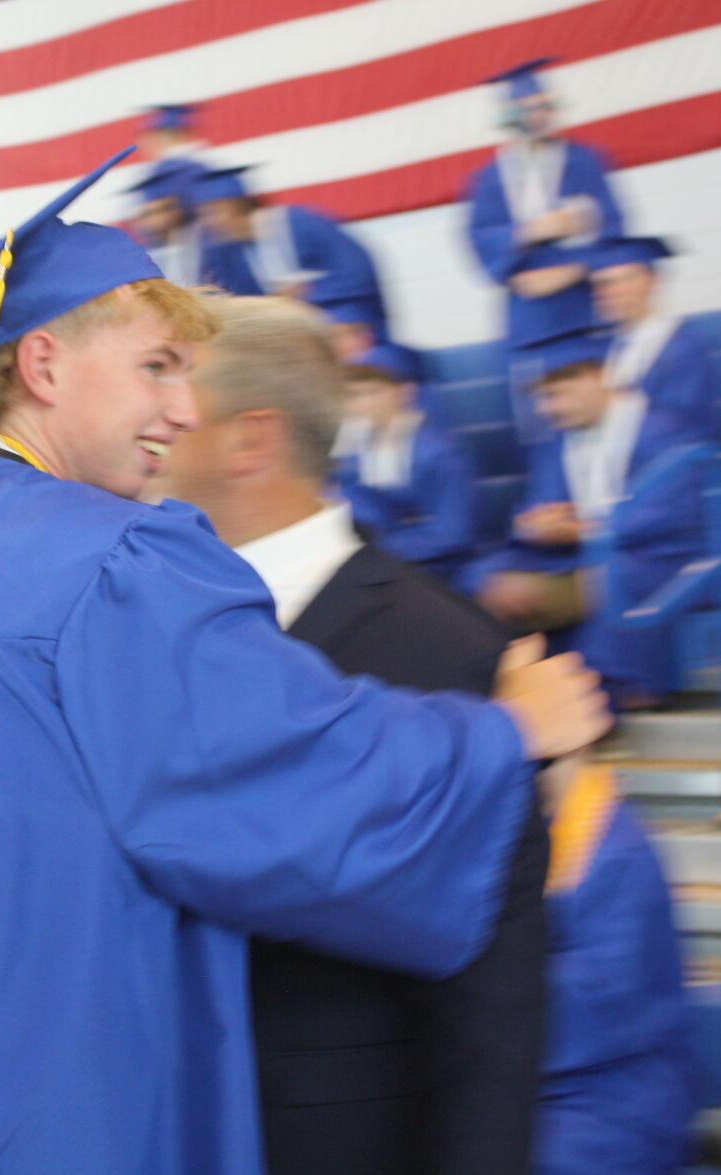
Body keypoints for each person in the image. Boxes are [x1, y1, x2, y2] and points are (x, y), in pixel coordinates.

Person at [0, 148, 608, 1175]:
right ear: (41, 366)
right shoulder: (123, 564)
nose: (183, 408)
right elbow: (296, 778)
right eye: (156, 365)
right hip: (92, 1128)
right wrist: (507, 730)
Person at [160, 296, 545, 1175]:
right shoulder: (145, 624)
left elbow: (487, 993)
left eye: (176, 397)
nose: (155, 424)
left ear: (249, 438)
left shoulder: (441, 644)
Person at [475, 328, 708, 707]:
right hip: (577, 552)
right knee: (486, 576)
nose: (546, 408)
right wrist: (534, 523)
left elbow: (671, 513)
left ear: (595, 378)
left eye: (555, 394)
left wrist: (586, 530)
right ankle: (516, 695)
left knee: (612, 578)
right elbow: (536, 506)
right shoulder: (559, 440)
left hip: (656, 554)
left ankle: (600, 695)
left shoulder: (664, 432)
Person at [537, 752, 699, 1175]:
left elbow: (603, 1005)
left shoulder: (616, 851)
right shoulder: (538, 832)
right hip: (545, 1092)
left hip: (611, 1103)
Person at [465, 58, 625, 356]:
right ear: (509, 115)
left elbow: (615, 227)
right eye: (527, 109)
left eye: (542, 107)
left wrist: (574, 271)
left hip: (586, 308)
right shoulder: (488, 178)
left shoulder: (584, 161)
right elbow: (479, 240)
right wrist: (527, 232)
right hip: (529, 318)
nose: (536, 117)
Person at [332, 342, 480, 585]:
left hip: (434, 569)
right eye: (351, 395)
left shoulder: (438, 454)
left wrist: (375, 547)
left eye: (372, 392)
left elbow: (452, 534)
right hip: (375, 563)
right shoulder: (353, 451)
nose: (360, 405)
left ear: (405, 392)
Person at [193, 165, 390, 337]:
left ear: (237, 206)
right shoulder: (228, 251)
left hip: (341, 322)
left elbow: (357, 269)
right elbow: (225, 301)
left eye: (214, 212)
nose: (209, 223)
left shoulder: (302, 222)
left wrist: (307, 292)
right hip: (284, 336)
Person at [589, 237, 717, 435]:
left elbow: (685, 423)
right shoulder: (601, 350)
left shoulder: (686, 345)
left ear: (652, 281)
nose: (609, 292)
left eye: (623, 280)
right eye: (602, 284)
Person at [126, 156, 211, 287]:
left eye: (158, 211)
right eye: (145, 214)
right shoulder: (143, 260)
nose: (151, 221)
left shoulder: (206, 248)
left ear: (177, 211)